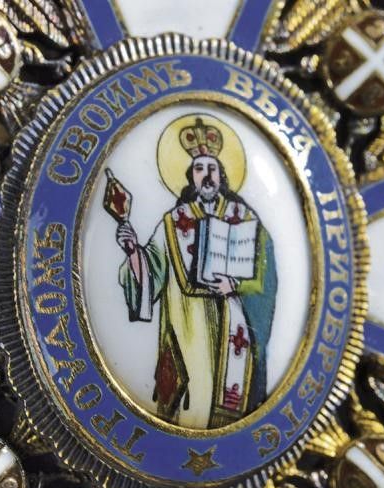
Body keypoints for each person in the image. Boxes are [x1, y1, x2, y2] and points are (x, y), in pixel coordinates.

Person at [115, 117, 277, 429]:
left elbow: (266, 276)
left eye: (213, 168)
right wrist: (133, 251)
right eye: (200, 169)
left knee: (229, 403)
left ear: (223, 175)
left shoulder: (244, 218)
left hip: (233, 325)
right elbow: (152, 269)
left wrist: (236, 285)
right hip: (188, 330)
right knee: (194, 399)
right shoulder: (174, 221)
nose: (207, 175)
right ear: (191, 176)